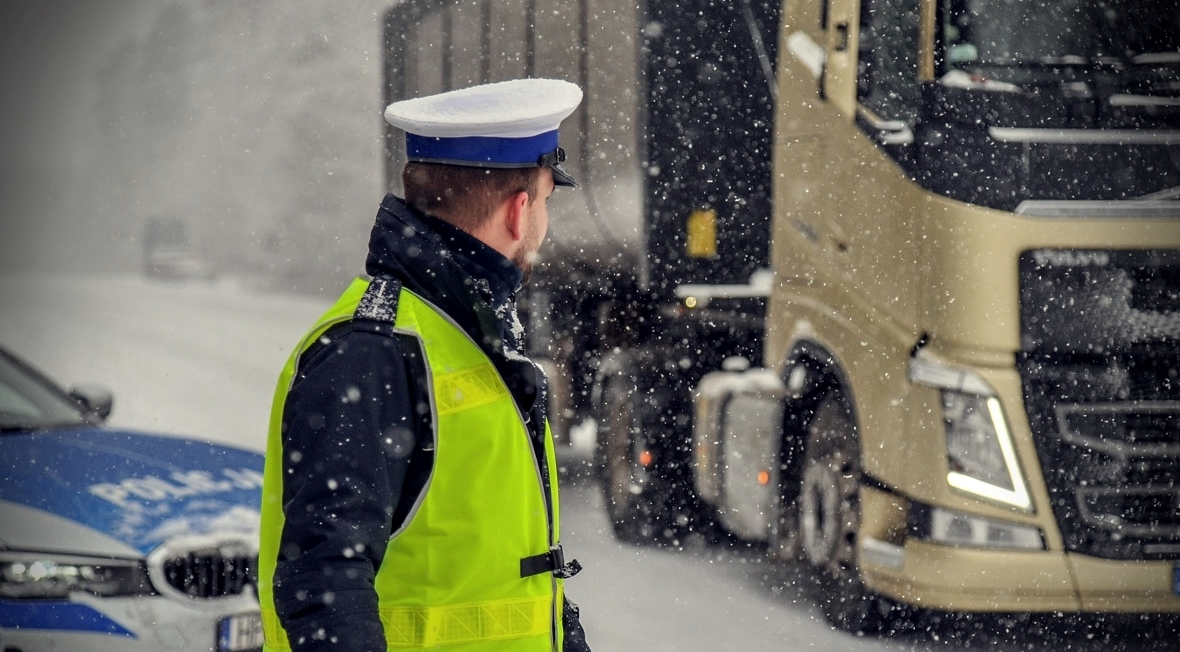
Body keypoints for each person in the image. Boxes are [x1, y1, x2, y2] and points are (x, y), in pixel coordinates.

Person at [258, 78, 591, 652]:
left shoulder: (465, 331)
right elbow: (324, 582)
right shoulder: (371, 349)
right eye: (545, 203)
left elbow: (512, 578)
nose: (543, 226)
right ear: (518, 212)